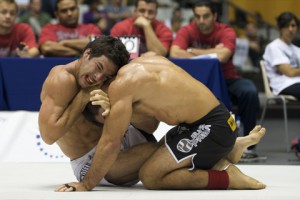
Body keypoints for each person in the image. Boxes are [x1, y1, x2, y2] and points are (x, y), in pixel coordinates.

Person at [52, 36, 266, 192]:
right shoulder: (146, 62)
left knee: (151, 176)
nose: (97, 80)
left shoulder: (122, 85)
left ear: (111, 76)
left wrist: (86, 184)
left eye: (102, 78)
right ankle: (229, 148)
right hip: (206, 122)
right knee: (158, 154)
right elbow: (152, 123)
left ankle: (227, 177)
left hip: (210, 126)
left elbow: (110, 142)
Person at [38, 35, 158, 187]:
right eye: (99, 67)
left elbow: (151, 126)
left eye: (106, 76)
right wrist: (82, 98)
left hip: (126, 135)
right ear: (87, 54)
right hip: (91, 158)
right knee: (168, 149)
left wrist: (115, 110)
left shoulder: (106, 80)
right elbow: (49, 136)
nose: (98, 78)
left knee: (151, 68)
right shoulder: (62, 80)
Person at [169, 0, 262, 162]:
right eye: (197, 16)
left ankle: (248, 144)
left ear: (215, 16)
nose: (201, 20)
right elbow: (175, 52)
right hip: (197, 83)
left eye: (205, 16)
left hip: (227, 79)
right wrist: (212, 51)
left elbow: (223, 56)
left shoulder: (226, 31)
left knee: (250, 92)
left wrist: (191, 51)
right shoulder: (188, 30)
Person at [263, 12, 300, 100]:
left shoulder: (297, 49)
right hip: (283, 85)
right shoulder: (273, 47)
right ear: (280, 28)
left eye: (293, 26)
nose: (290, 29)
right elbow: (290, 73)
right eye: (286, 26)